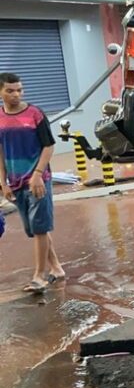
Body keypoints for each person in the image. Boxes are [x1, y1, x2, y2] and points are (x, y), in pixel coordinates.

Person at [0, 72, 66, 292]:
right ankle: (56, 268)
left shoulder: (35, 114)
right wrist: (3, 182)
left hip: (38, 180)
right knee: (35, 229)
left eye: (19, 89)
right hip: (15, 181)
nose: (16, 94)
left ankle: (39, 276)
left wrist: (38, 174)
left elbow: (48, 145)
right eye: (10, 90)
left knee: (39, 228)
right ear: (1, 92)